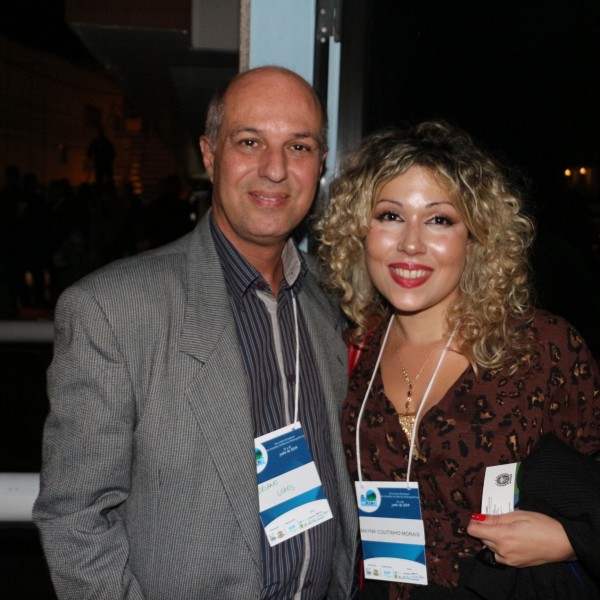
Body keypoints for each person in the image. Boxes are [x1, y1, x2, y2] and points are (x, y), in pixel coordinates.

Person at [33, 66, 358, 600]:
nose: (275, 169)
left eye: (298, 147)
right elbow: (76, 518)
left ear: (320, 164)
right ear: (209, 155)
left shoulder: (339, 302)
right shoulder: (112, 311)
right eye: (249, 141)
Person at [316, 120, 600, 599]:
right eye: (389, 215)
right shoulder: (349, 350)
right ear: (359, 232)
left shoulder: (542, 348)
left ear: (476, 238)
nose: (410, 243)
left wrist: (572, 540)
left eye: (439, 219)